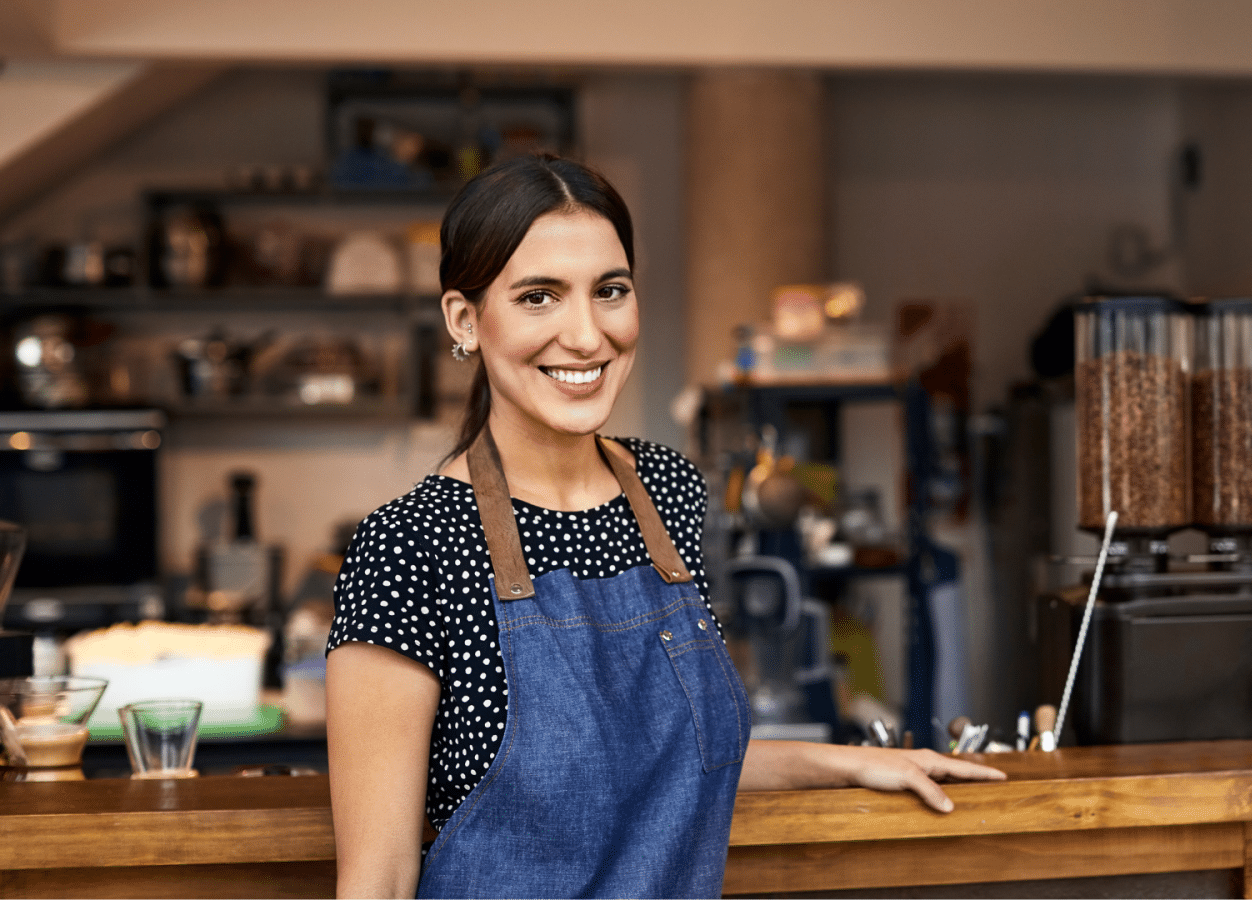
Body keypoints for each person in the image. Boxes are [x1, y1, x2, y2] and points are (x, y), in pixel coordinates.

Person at [325, 153, 1005, 899]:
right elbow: (380, 878)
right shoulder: (411, 543)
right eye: (539, 297)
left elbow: (666, 762)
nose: (586, 336)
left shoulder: (667, 489)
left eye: (610, 291)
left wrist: (839, 761)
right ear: (465, 319)